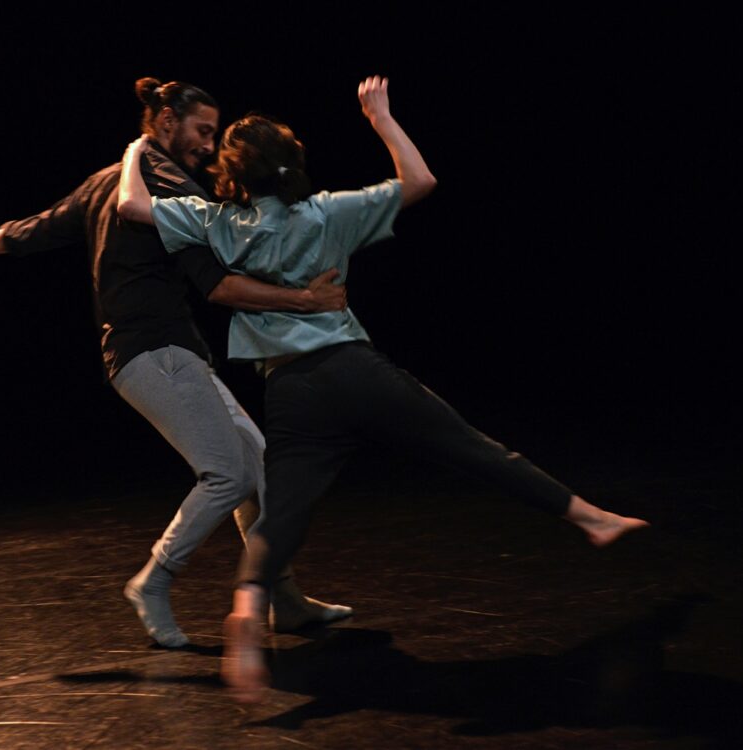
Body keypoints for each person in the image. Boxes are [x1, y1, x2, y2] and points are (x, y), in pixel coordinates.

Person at [118, 75, 650, 700]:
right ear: (290, 164)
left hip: (291, 390)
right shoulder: (327, 212)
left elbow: (131, 205)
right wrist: (381, 117)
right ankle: (590, 518)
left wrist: (136, 148)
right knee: (469, 446)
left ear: (238, 172)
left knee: (281, 515)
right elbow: (420, 181)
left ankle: (246, 606)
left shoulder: (218, 222)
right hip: (354, 370)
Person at [0, 77, 352, 649]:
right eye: (202, 131)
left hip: (165, 354)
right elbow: (218, 284)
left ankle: (285, 600)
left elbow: (30, 232)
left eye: (213, 134)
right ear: (166, 122)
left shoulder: (108, 180)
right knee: (228, 474)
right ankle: (154, 579)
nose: (209, 145)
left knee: (257, 466)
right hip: (155, 353)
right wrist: (301, 297)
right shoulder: (162, 184)